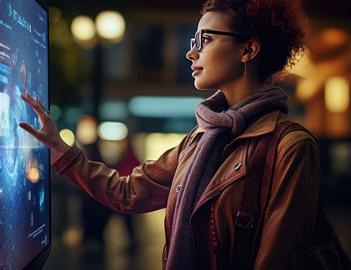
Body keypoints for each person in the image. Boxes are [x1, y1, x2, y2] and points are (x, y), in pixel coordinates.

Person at [18, 0, 344, 269]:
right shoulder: (199, 140)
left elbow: (279, 261)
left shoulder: (290, 145)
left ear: (248, 49)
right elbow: (127, 191)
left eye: (207, 40)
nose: (192, 53)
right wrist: (60, 147)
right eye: (194, 42)